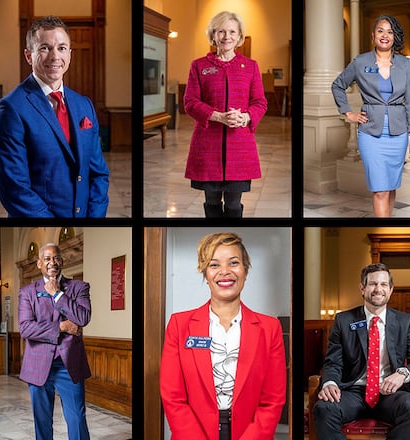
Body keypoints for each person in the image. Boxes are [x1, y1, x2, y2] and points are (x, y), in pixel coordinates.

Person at [160, 232, 286, 440]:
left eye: (234, 263)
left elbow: (273, 399)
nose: (225, 272)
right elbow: (172, 396)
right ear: (205, 273)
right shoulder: (179, 325)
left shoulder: (269, 328)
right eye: (214, 265)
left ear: (245, 269)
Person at [0, 16, 110, 218]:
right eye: (45, 48)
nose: (55, 57)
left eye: (62, 48)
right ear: (29, 56)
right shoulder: (9, 110)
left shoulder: (85, 105)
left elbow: (98, 173)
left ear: (70, 55)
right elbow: (15, 190)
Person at [313, 263, 410, 439]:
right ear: (362, 288)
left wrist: (402, 374)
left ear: (390, 290)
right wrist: (330, 383)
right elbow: (333, 361)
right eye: (373, 284)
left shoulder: (404, 322)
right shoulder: (344, 320)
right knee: (324, 408)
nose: (378, 289)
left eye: (383, 284)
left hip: (390, 393)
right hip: (352, 392)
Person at [331, 16, 410, 218]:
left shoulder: (405, 64)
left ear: (394, 37)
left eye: (390, 31)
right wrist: (348, 113)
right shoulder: (360, 62)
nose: (385, 35)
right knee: (380, 190)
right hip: (370, 132)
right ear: (373, 36)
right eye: (380, 30)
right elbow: (337, 85)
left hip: (398, 132)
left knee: (391, 185)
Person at [182, 12, 267, 218]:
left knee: (233, 204)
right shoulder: (199, 66)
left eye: (232, 32)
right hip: (207, 145)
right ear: (213, 35)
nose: (226, 36)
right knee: (211, 202)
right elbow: (190, 102)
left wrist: (245, 117)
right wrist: (218, 116)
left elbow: (260, 102)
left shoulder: (251, 66)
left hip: (240, 145)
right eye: (221, 31)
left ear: (239, 37)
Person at [19, 243, 91, 439]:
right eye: (47, 259)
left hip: (69, 364)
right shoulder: (27, 292)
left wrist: (57, 294)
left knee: (77, 418)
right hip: (37, 365)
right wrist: (61, 327)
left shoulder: (79, 287)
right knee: (42, 421)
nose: (53, 262)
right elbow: (26, 328)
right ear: (39, 263)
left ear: (62, 261)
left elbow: (83, 318)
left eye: (57, 258)